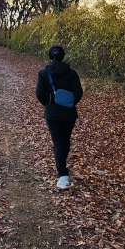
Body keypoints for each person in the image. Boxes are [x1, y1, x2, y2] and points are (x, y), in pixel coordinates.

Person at [35, 45, 83, 189]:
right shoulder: (72, 73)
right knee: (65, 140)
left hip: (52, 113)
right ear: (62, 56)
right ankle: (63, 169)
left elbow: (39, 93)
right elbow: (78, 92)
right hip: (69, 113)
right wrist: (70, 102)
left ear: (51, 56)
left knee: (58, 142)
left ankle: (62, 175)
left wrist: (48, 103)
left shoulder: (43, 73)